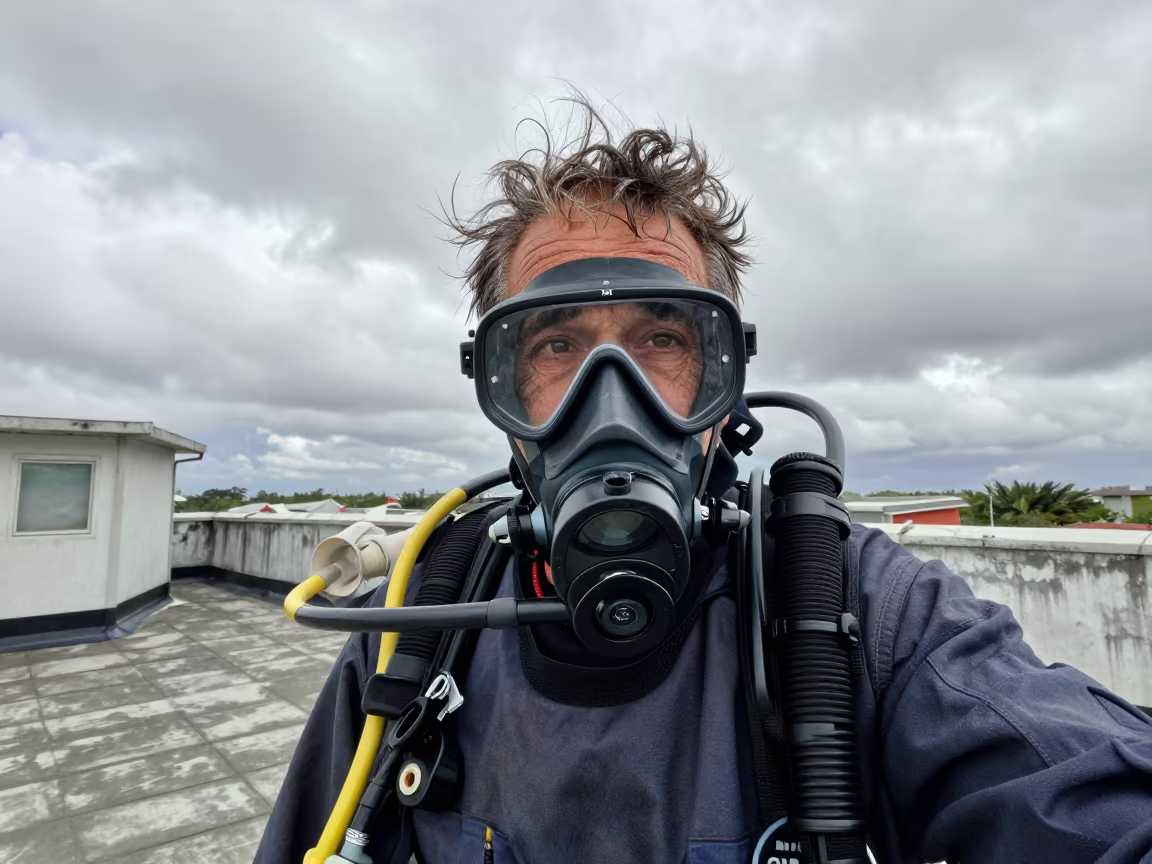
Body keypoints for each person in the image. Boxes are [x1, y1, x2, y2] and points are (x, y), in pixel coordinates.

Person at [255, 98, 1152, 864]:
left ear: (724, 389)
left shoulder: (857, 611)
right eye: (557, 344)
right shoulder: (419, 625)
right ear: (502, 391)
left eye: (663, 339)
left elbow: (1085, 797)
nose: (613, 404)